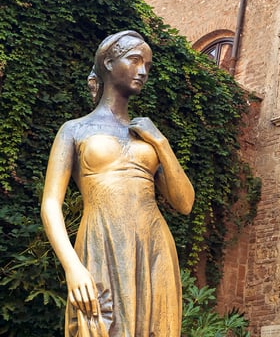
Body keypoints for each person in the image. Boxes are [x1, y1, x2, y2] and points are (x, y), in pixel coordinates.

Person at [41, 30, 195, 337]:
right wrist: (72, 266)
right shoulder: (74, 130)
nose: (142, 71)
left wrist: (162, 144)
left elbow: (185, 203)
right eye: (135, 60)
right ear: (109, 63)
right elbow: (50, 204)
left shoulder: (147, 136)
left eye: (147, 66)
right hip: (102, 242)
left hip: (153, 246)